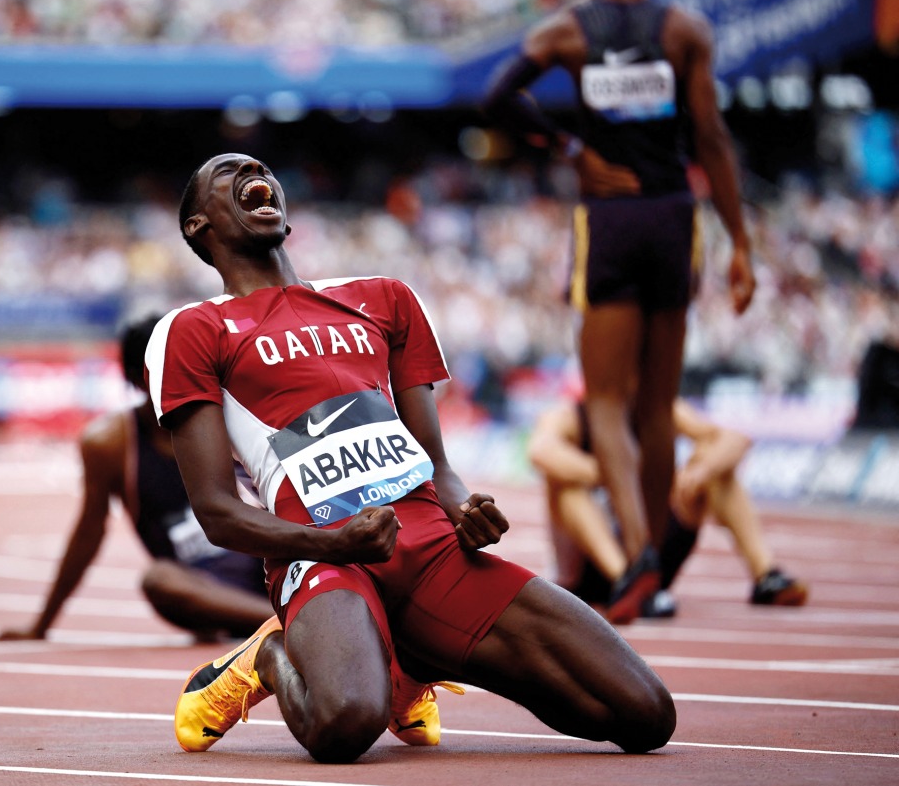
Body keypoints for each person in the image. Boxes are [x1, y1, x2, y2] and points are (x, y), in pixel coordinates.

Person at [144, 152, 674, 764]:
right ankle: (267, 655)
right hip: (321, 558)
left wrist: (467, 509)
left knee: (644, 715)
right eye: (226, 172)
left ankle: (416, 658)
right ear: (197, 226)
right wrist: (338, 545)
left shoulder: (384, 298)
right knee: (346, 724)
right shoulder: (194, 329)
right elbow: (217, 513)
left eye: (257, 167)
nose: (250, 171)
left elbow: (438, 466)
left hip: (432, 549)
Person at [481, 0, 757, 623]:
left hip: (610, 218)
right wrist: (741, 242)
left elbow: (498, 95)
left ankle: (638, 557)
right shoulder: (683, 31)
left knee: (606, 402)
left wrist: (572, 149)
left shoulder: (568, 32)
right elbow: (712, 136)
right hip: (672, 217)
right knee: (656, 406)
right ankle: (653, 560)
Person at [0, 315, 274, 643]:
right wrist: (41, 625)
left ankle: (297, 608)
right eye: (164, 369)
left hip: (270, 569)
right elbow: (89, 533)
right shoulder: (111, 444)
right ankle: (279, 622)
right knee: (158, 580)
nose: (178, 377)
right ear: (136, 378)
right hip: (202, 592)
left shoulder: (233, 417)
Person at [528, 397, 809, 620]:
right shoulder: (569, 417)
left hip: (655, 546)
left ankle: (766, 575)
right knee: (565, 486)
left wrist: (701, 473)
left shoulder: (662, 408)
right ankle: (627, 581)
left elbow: (736, 440)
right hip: (589, 570)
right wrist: (614, 477)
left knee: (714, 468)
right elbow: (541, 452)